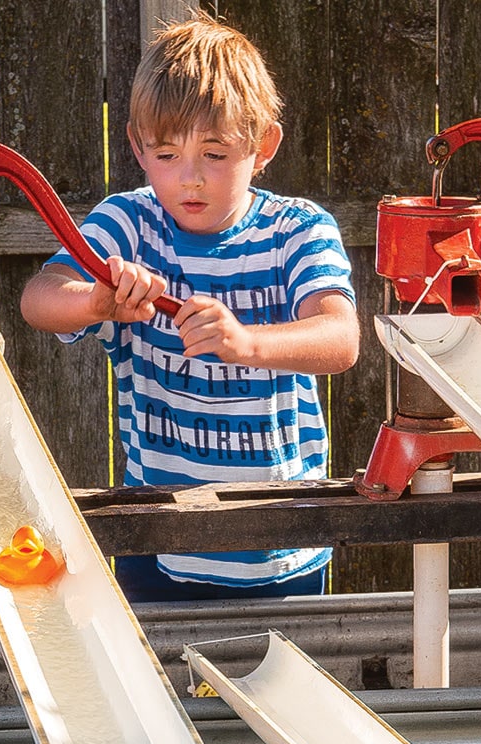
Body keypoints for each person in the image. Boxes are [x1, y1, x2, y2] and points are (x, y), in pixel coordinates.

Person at [20, 12, 359, 602]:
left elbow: (341, 338)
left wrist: (248, 344)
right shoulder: (128, 225)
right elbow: (39, 299)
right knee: (162, 692)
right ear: (137, 146)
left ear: (263, 146)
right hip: (154, 534)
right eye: (167, 154)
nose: (190, 179)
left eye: (215, 153)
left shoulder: (297, 230)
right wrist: (100, 298)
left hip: (283, 543)